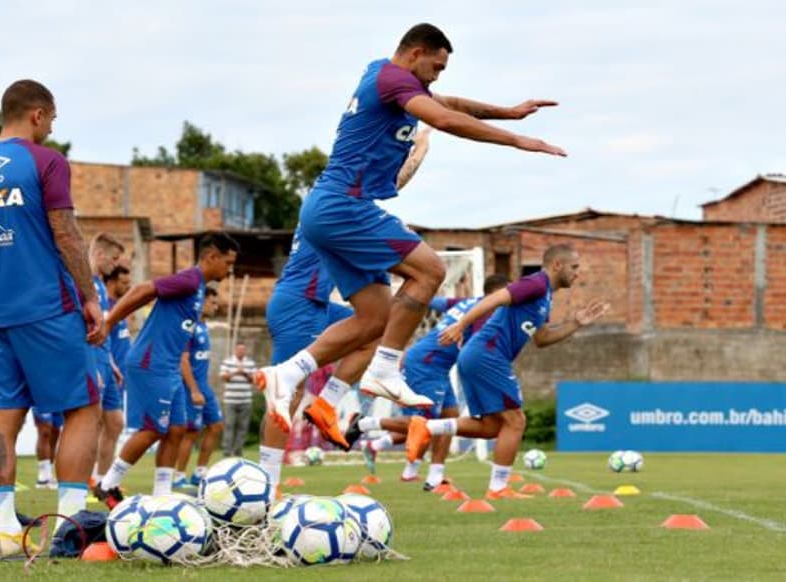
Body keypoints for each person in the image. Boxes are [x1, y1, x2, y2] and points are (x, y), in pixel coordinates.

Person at [256, 23, 565, 435]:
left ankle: (292, 374)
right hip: (342, 205)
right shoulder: (391, 78)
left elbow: (449, 102)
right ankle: (384, 369)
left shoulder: (391, 81)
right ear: (416, 53)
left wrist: (507, 110)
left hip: (332, 208)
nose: (438, 76)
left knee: (373, 319)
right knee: (431, 269)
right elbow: (443, 117)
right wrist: (516, 139)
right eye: (436, 66)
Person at [0, 79, 103, 556]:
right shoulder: (45, 162)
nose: (52, 129)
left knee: (4, 416)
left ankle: (3, 533)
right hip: (47, 306)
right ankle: (70, 528)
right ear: (37, 114)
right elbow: (65, 233)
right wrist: (90, 296)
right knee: (83, 407)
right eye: (52, 120)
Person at [254, 128, 434, 495]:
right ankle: (266, 484)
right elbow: (398, 176)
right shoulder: (334, 207)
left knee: (378, 329)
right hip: (297, 303)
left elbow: (393, 179)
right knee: (285, 391)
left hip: (318, 304)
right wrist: (422, 146)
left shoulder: (349, 204)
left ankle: (327, 404)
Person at [409, 244, 609, 498]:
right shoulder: (536, 283)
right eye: (574, 267)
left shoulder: (544, 296)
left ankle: (427, 428)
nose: (578, 273)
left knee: (492, 427)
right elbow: (495, 298)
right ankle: (498, 488)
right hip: (487, 355)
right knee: (516, 421)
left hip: (480, 356)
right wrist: (461, 325)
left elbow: (543, 338)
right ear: (557, 265)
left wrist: (576, 324)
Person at [94, 232, 237, 507]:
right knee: (151, 430)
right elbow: (141, 290)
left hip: (169, 368)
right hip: (151, 364)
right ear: (212, 256)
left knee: (177, 429)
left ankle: (162, 494)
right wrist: (110, 322)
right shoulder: (189, 279)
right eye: (228, 263)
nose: (229, 270)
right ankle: (107, 483)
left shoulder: (198, 289)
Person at [349, 274, 510, 489]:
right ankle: (364, 424)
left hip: (437, 365)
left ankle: (432, 474)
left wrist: (410, 290)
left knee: (449, 417)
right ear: (497, 293)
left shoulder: (465, 303)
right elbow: (479, 347)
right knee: (424, 424)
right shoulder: (486, 312)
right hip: (426, 364)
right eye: (508, 292)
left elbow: (435, 302)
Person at [174, 286, 225, 488]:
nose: (215, 306)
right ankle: (178, 476)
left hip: (204, 386)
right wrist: (194, 390)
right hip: (191, 387)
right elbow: (183, 360)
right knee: (192, 431)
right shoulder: (191, 326)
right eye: (212, 302)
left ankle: (200, 473)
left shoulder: (204, 326)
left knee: (216, 425)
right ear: (202, 302)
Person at [88, 233, 125, 489]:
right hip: (91, 360)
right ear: (100, 254)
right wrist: (92, 364)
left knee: (115, 423)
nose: (115, 265)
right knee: (91, 422)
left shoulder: (100, 285)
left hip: (105, 360)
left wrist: (111, 363)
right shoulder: (83, 283)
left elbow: (100, 326)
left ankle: (102, 483)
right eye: (112, 259)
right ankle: (83, 480)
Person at [219, 343, 257, 458]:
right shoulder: (227, 362)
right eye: (239, 349)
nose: (241, 351)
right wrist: (236, 372)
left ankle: (238, 451)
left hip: (245, 400)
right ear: (235, 350)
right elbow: (223, 377)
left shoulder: (250, 363)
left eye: (243, 350)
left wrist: (244, 373)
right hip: (230, 400)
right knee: (229, 425)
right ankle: (226, 451)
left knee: (243, 427)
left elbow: (255, 379)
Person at [104, 264, 133, 375]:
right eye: (124, 283)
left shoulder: (120, 306)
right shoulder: (105, 308)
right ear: (111, 283)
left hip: (124, 371)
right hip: (112, 372)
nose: (128, 287)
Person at [31, 409, 62, 490]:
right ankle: (43, 476)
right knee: (45, 431)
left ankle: (49, 474)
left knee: (55, 432)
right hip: (41, 398)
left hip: (59, 398)